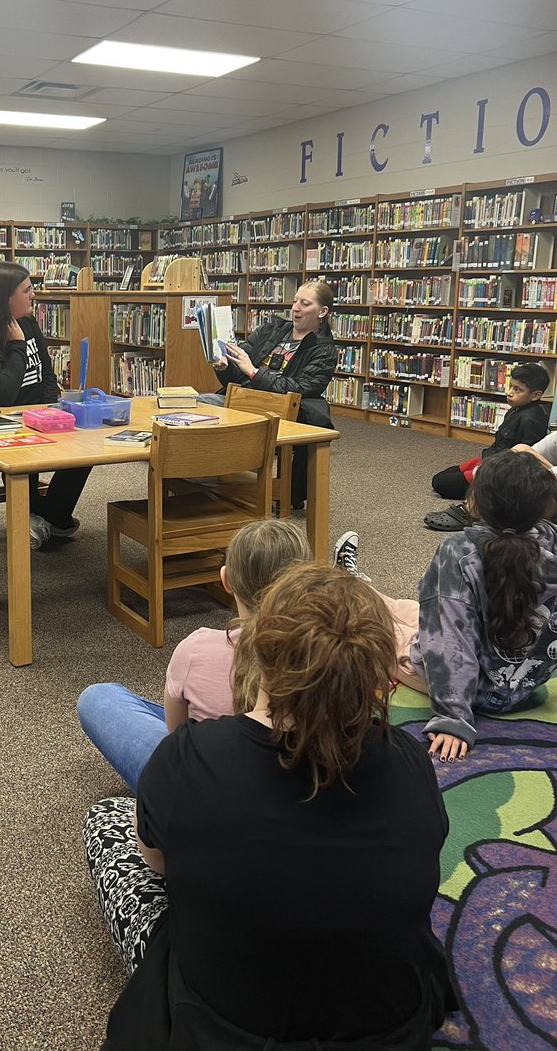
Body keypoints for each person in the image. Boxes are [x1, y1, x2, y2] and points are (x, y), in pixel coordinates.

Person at [84, 563, 457, 1050]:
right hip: (389, 1032)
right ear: (381, 679)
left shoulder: (188, 756)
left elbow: (157, 863)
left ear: (257, 650)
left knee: (107, 821)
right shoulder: (412, 764)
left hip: (221, 1030)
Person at [76, 520, 311, 789]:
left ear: (226, 580)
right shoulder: (331, 655)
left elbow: (177, 739)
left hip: (204, 789)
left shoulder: (196, 649)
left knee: (98, 697)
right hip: (294, 791)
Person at [398, 450, 557, 762]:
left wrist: (453, 718)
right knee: (405, 606)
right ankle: (357, 585)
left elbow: (448, 638)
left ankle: (352, 585)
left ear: (475, 501)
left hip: (476, 693)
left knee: (369, 629)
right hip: (524, 686)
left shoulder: (459, 550)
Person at [0, 260, 90, 550]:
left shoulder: (26, 322)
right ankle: (45, 516)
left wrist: (52, 407)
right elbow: (1, 394)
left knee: (88, 447)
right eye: (27, 290)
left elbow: (47, 374)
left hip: (34, 416)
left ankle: (48, 514)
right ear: (5, 298)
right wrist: (16, 345)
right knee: (27, 453)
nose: (33, 295)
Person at [209, 279, 337, 508]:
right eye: (295, 301)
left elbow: (299, 388)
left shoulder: (324, 350)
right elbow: (237, 374)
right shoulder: (271, 331)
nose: (295, 308)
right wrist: (225, 367)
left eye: (305, 303)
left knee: (204, 405)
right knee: (196, 405)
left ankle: (207, 480)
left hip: (277, 409)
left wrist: (254, 372)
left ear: (322, 311)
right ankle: (196, 479)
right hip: (242, 399)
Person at [424, 362, 549, 531]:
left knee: (440, 483)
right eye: (511, 386)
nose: (510, 393)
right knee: (443, 476)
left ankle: (479, 498)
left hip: (498, 468)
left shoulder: (530, 420)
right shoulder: (516, 409)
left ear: (535, 395)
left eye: (517, 390)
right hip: (489, 458)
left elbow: (525, 460)